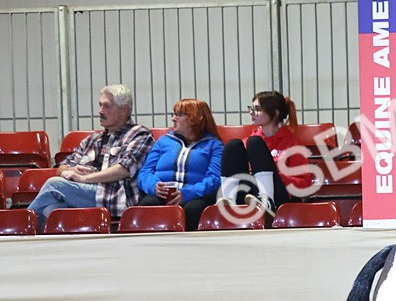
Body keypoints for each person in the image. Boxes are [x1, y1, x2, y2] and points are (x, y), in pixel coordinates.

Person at [29, 83, 153, 230]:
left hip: (114, 197)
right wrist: (70, 172)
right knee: (50, 208)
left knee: (54, 185)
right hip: (85, 192)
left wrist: (85, 178)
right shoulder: (92, 139)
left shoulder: (140, 135)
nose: (100, 111)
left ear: (124, 109)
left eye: (107, 106)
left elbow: (124, 169)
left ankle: (18, 226)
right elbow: (62, 165)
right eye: (100, 105)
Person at [218, 91, 313, 214]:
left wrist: (276, 175)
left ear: (275, 113)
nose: (251, 112)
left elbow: (304, 183)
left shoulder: (293, 145)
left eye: (257, 109)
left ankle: (267, 201)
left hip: (279, 196)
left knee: (255, 143)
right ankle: (229, 201)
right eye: (251, 108)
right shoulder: (247, 142)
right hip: (249, 193)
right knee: (233, 145)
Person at [136, 98, 224, 230]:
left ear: (195, 118)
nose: (173, 118)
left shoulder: (214, 145)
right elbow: (145, 173)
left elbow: (215, 178)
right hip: (162, 194)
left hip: (195, 196)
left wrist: (188, 193)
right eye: (174, 114)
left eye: (178, 114)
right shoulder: (163, 142)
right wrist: (154, 186)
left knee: (194, 209)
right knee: (149, 204)